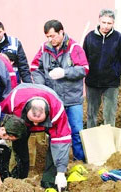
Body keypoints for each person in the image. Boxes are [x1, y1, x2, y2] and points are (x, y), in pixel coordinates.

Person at [30, 20, 89, 162]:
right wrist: (42, 86)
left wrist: (65, 72)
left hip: (72, 99)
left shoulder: (74, 48)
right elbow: (34, 68)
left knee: (76, 131)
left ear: (61, 32)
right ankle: (55, 163)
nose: (50, 40)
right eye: (48, 37)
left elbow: (84, 69)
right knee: (54, 132)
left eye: (53, 36)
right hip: (54, 100)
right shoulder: (44, 49)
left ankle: (78, 160)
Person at [0, 83, 71, 191]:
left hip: (48, 123)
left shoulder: (57, 110)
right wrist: (2, 135)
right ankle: (20, 177)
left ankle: (49, 180)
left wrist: (61, 172)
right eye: (33, 121)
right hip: (21, 122)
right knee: (19, 144)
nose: (36, 125)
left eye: (39, 121)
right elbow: (0, 115)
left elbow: (61, 140)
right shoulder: (14, 101)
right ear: (26, 110)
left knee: (55, 146)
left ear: (47, 113)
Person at [83, 9, 121, 128]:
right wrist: (89, 72)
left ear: (113, 23)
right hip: (92, 82)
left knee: (109, 115)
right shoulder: (89, 37)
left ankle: (109, 143)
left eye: (109, 23)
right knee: (91, 114)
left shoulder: (120, 39)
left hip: (111, 83)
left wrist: (115, 72)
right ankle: (92, 142)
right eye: (103, 22)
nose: (106, 26)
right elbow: (84, 56)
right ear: (99, 20)